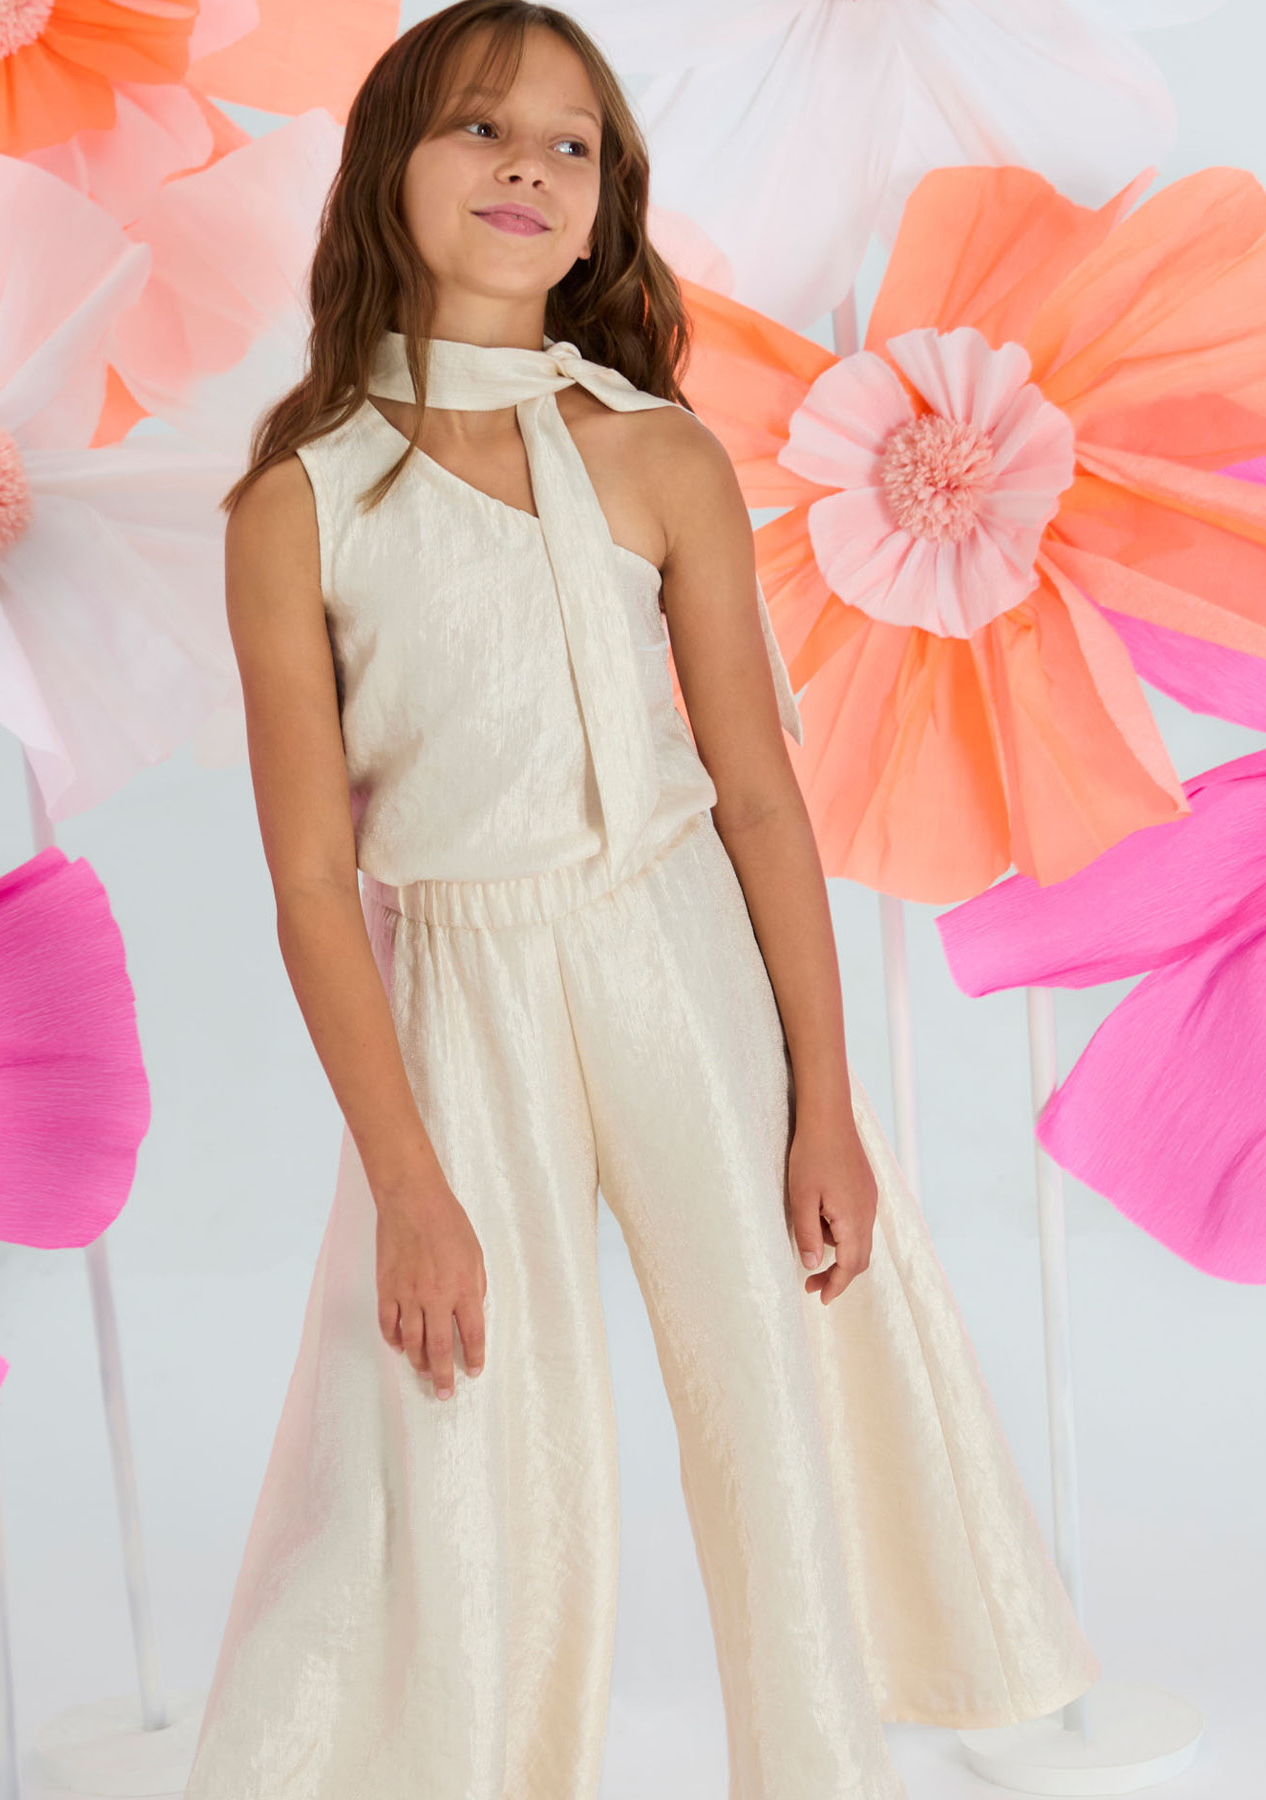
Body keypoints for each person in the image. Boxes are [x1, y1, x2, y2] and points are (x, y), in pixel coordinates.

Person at [182, 4, 1100, 1796]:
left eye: (571, 144)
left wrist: (825, 1106)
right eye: (478, 127)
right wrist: (408, 1184)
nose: (527, 167)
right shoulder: (303, 504)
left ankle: (816, 1766)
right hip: (461, 986)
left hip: (670, 945)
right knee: (465, 1405)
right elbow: (306, 880)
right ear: (387, 167)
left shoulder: (660, 457)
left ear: (605, 204)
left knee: (771, 1367)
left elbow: (758, 800)